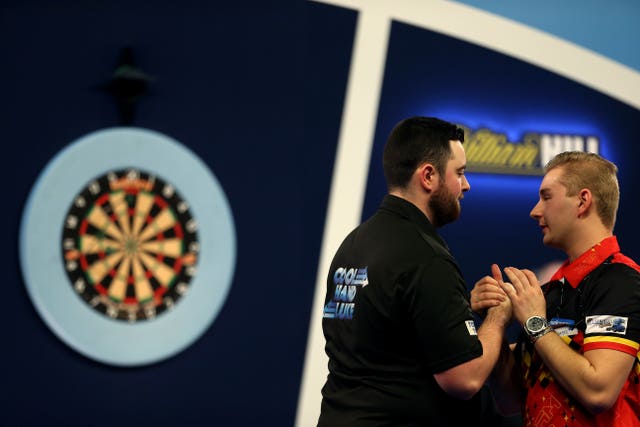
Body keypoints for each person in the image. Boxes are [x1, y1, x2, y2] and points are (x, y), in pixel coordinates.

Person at [317, 116, 513, 426]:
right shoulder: (425, 257)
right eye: (459, 173)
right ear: (428, 176)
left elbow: (389, 336)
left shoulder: (354, 244)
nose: (466, 185)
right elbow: (465, 378)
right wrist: (497, 319)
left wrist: (458, 309)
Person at [472, 151, 640, 426]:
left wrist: (536, 324)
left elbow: (598, 392)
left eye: (546, 197)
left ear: (583, 201)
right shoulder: (549, 293)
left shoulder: (620, 280)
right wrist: (496, 322)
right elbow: (510, 400)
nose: (535, 211)